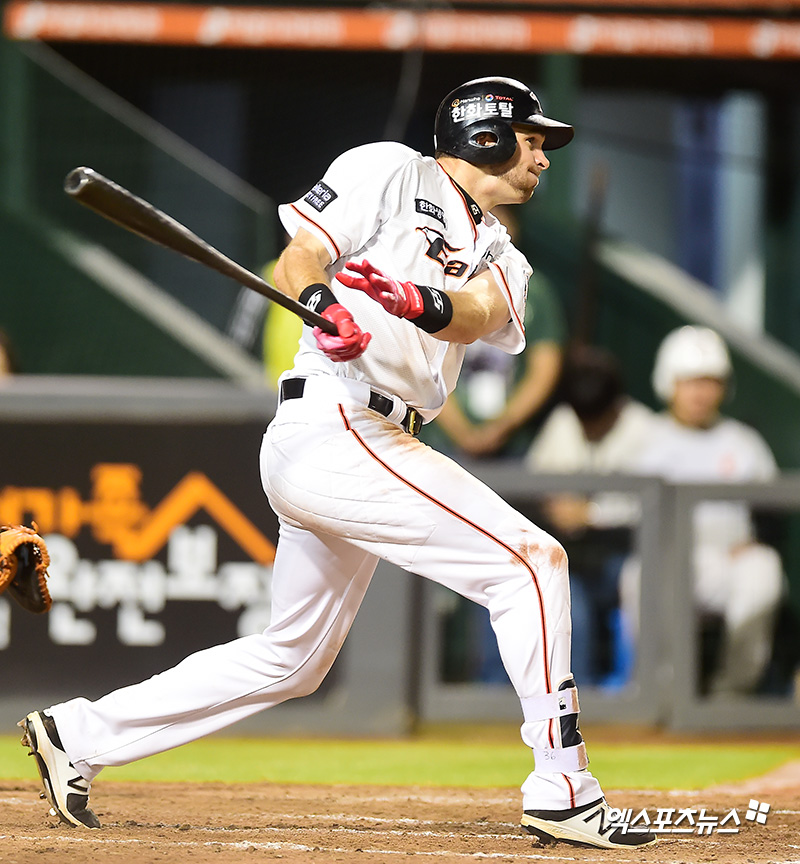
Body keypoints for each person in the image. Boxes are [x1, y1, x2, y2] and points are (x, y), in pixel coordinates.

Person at [19, 77, 655, 850]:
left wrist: (418, 302)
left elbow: (481, 314)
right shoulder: (389, 169)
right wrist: (324, 307)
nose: (542, 158)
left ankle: (78, 734)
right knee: (531, 561)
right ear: (484, 136)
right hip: (335, 419)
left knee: (295, 659)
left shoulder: (503, 251)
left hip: (376, 437)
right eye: (531, 139)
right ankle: (563, 786)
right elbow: (301, 257)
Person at [627, 325, 784, 695]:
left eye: (710, 382)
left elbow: (773, 508)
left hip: (729, 558)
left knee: (763, 570)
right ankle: (663, 689)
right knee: (637, 576)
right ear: (669, 382)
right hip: (668, 556)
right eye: (690, 382)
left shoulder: (743, 441)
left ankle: (733, 692)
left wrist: (757, 540)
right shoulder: (643, 437)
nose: (700, 393)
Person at [525, 345, 655, 686]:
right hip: (571, 552)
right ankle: (573, 691)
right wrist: (554, 504)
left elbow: (651, 507)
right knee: (561, 596)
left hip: (622, 552)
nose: (588, 426)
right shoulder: (564, 419)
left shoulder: (644, 428)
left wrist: (591, 514)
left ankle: (632, 688)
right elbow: (532, 481)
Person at [430, 204, 565, 459]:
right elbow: (424, 363)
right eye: (481, 220)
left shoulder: (536, 292)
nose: (490, 230)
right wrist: (462, 432)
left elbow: (544, 371)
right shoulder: (439, 281)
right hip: (439, 442)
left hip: (514, 446)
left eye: (500, 220)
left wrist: (502, 427)